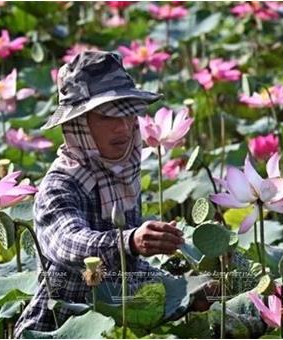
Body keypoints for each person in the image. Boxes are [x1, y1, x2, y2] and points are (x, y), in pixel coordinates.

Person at [13, 51, 188, 337]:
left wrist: (186, 295)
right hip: (61, 325)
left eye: (127, 113)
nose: (122, 127)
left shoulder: (123, 175)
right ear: (78, 124)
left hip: (120, 316)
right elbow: (68, 244)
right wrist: (130, 240)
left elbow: (127, 271)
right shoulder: (60, 185)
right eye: (107, 116)